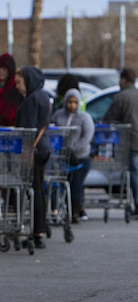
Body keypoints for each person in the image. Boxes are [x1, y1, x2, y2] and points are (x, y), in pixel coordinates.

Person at [14, 66, 51, 249]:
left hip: (33, 150)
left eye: (19, 82)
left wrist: (25, 153)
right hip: (44, 147)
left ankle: (36, 232)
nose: (18, 86)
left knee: (33, 189)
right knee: (39, 189)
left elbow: (27, 130)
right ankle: (40, 230)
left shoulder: (30, 100)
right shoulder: (43, 97)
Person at [51, 88, 94, 223]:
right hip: (63, 158)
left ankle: (76, 210)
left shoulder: (84, 118)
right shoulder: (58, 116)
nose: (72, 105)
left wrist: (73, 149)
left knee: (76, 185)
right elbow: (53, 132)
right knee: (64, 185)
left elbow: (87, 137)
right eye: (69, 102)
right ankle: (64, 209)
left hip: (80, 157)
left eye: (75, 102)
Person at [102, 67, 138, 215]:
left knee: (134, 172)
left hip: (130, 140)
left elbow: (109, 118)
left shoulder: (121, 97)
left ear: (123, 80)